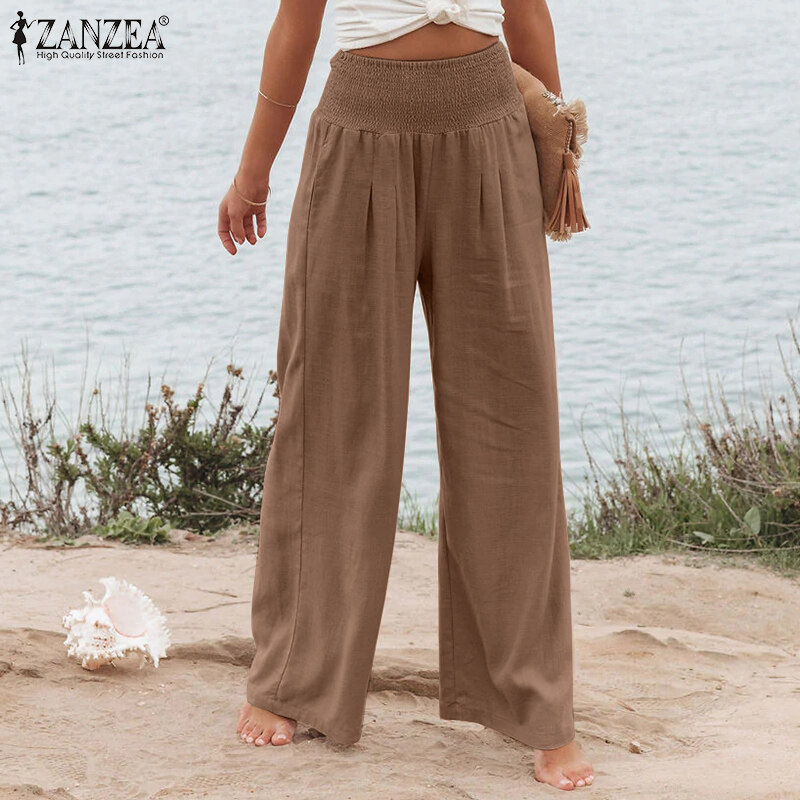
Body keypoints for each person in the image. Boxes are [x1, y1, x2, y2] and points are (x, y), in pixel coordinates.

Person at [218, 0, 595, 791]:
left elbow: (528, 12)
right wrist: (253, 172)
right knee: (330, 416)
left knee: (514, 424)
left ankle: (538, 703)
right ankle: (292, 677)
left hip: (489, 125)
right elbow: (296, 24)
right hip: (358, 133)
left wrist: (556, 150)